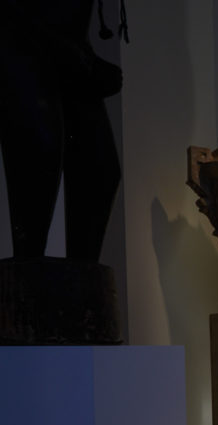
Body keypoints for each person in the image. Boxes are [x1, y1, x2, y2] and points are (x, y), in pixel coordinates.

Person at [0, 0, 127, 261]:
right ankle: (28, 279)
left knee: (101, 169)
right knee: (40, 149)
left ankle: (83, 288)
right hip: (23, 33)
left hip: (69, 40)